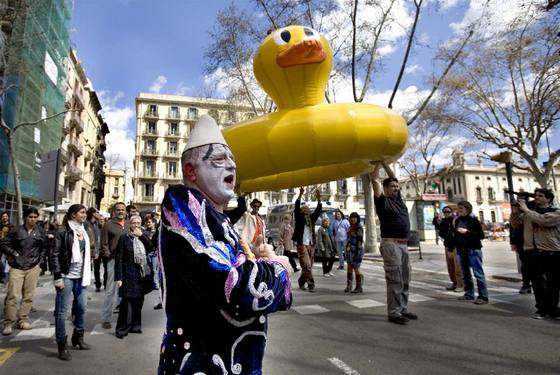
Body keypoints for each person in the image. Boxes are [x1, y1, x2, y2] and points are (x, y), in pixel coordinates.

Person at [157, 115, 292, 374]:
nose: (231, 165)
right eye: (219, 159)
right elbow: (235, 287)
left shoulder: (214, 214)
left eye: (232, 161)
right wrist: (279, 269)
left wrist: (258, 260)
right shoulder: (185, 207)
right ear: (190, 171)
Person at [371, 162, 417, 325]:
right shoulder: (382, 201)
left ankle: (402, 308)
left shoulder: (398, 200)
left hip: (404, 245)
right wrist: (377, 164)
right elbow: (375, 180)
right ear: (385, 189)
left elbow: (392, 177)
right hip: (391, 245)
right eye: (393, 186)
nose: (396, 188)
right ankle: (394, 312)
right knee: (395, 279)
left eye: (397, 186)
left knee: (405, 279)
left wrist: (385, 162)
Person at [511, 188, 560, 320]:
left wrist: (526, 210)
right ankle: (541, 309)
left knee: (553, 283)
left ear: (548, 199)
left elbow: (543, 221)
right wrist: (515, 212)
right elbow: (516, 224)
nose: (536, 197)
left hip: (551, 252)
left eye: (540, 195)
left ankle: (553, 309)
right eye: (536, 195)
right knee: (537, 283)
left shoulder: (555, 212)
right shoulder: (530, 212)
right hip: (532, 252)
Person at [51, 204, 92, 360]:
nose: (85, 215)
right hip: (66, 275)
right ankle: (62, 344)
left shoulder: (84, 230)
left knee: (81, 307)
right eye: (82, 213)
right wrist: (57, 277)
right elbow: (54, 254)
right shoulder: (62, 231)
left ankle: (78, 337)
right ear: (73, 214)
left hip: (81, 276)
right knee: (62, 312)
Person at [1, 207, 48, 335]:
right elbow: (3, 243)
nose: (33, 219)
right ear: (25, 218)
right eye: (30, 217)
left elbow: (44, 248)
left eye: (35, 217)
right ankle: (8, 322)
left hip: (33, 267)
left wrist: (40, 262)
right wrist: (14, 254)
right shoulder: (16, 230)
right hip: (17, 267)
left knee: (28, 296)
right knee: (12, 296)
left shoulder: (40, 232)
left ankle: (23, 319)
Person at [114, 215, 153, 338]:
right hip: (127, 274)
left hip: (141, 275)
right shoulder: (124, 238)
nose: (136, 225)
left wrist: (141, 235)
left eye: (138, 223)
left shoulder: (143, 236)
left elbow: (151, 247)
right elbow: (119, 258)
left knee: (138, 302)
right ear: (130, 224)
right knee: (126, 303)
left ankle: (135, 326)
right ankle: (121, 329)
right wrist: (118, 277)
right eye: (134, 223)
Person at [454, 200, 489, 305]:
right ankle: (469, 294)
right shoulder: (458, 220)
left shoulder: (473, 220)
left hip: (473, 249)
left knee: (478, 273)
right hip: (461, 249)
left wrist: (467, 232)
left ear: (467, 209)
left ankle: (483, 296)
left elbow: (481, 235)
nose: (459, 210)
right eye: (458, 208)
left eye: (461, 208)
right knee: (465, 273)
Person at [100, 202, 128, 329]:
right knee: (110, 290)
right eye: (118, 210)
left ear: (125, 211)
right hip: (114, 261)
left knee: (126, 291)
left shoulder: (129, 225)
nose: (120, 211)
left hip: (127, 262)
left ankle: (125, 318)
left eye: (122, 209)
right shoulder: (108, 225)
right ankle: (106, 318)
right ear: (114, 211)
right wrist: (108, 255)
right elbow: (104, 243)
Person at [293, 187, 322, 293]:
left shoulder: (312, 219)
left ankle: (301, 282)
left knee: (307, 267)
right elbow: (296, 207)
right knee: (307, 265)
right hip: (302, 244)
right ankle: (311, 284)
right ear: (301, 211)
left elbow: (318, 210)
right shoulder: (299, 218)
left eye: (307, 208)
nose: (306, 209)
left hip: (311, 244)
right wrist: (300, 195)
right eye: (304, 208)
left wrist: (319, 199)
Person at [439, 207, 464, 292]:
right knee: (450, 266)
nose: (446, 213)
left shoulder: (454, 221)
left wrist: (451, 247)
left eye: (448, 212)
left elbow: (455, 235)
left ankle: (461, 284)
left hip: (455, 246)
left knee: (457, 267)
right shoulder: (443, 221)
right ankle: (454, 282)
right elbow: (441, 232)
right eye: (444, 212)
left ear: (451, 212)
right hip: (447, 245)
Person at [509, 205, 532, 294]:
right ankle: (526, 284)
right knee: (525, 264)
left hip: (530, 241)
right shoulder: (514, 215)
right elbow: (512, 228)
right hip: (520, 242)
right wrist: (512, 242)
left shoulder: (529, 212)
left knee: (531, 264)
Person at [345, 212, 364, 293]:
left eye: (355, 218)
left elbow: (360, 241)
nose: (353, 219)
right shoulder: (350, 227)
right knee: (349, 267)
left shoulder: (358, 228)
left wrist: (358, 253)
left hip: (356, 250)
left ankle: (359, 287)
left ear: (357, 219)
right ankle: (349, 286)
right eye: (351, 217)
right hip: (350, 250)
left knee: (356, 268)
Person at [85, 208, 103, 292]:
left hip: (96, 250)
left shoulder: (96, 224)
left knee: (96, 269)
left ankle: (98, 284)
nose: (99, 214)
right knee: (86, 271)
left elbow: (97, 238)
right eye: (97, 212)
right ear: (93, 214)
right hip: (88, 251)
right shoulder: (86, 224)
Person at [0, 211, 12, 284]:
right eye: (3, 216)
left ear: (8, 217)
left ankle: (5, 276)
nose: (4, 217)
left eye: (6, 216)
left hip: (7, 247)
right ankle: (3, 276)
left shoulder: (11, 226)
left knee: (2, 261)